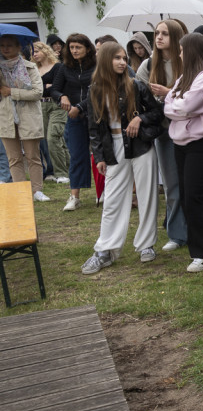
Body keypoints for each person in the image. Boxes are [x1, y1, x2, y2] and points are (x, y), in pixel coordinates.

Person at [80, 42, 165, 274]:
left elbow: (158, 113)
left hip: (140, 145)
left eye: (124, 58)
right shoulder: (95, 89)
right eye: (116, 58)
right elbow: (94, 128)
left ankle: (146, 245)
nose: (121, 62)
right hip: (113, 147)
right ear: (106, 60)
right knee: (113, 200)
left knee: (147, 196)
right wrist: (99, 156)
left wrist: (140, 119)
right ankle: (105, 250)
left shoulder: (136, 86)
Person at [164, 33, 203, 272]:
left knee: (194, 195)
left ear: (191, 50)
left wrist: (179, 107)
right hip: (182, 143)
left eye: (181, 50)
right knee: (196, 194)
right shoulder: (186, 76)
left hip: (201, 142)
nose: (179, 54)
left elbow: (187, 105)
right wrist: (178, 107)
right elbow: (170, 102)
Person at [136, 19, 188, 251]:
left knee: (192, 183)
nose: (158, 37)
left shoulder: (186, 61)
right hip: (164, 131)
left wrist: (170, 93)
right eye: (157, 33)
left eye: (164, 33)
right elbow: (136, 97)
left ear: (175, 37)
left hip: (188, 129)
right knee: (171, 184)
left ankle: (194, 227)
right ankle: (176, 234)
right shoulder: (147, 66)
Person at [50, 33, 95, 211]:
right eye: (72, 47)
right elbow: (54, 89)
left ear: (87, 48)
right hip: (74, 117)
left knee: (102, 155)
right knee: (76, 155)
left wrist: (81, 106)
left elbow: (99, 92)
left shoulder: (97, 65)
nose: (74, 50)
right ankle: (74, 196)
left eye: (78, 47)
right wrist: (62, 96)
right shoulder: (64, 67)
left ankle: (106, 192)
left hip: (96, 115)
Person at [0, 35, 47, 201]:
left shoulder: (29, 67)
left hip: (28, 116)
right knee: (13, 158)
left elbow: (37, 93)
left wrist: (11, 92)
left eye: (9, 45)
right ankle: (20, 190)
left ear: (18, 47)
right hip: (6, 117)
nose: (6, 49)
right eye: (3, 46)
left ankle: (36, 190)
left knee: (33, 156)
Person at [32, 40, 69, 184]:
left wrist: (45, 87)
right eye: (32, 52)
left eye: (37, 51)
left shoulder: (58, 67)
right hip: (40, 106)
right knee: (47, 141)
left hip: (56, 105)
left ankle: (62, 173)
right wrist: (45, 86)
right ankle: (63, 169)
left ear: (45, 51)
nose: (34, 55)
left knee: (53, 137)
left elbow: (58, 87)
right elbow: (32, 89)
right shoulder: (34, 69)